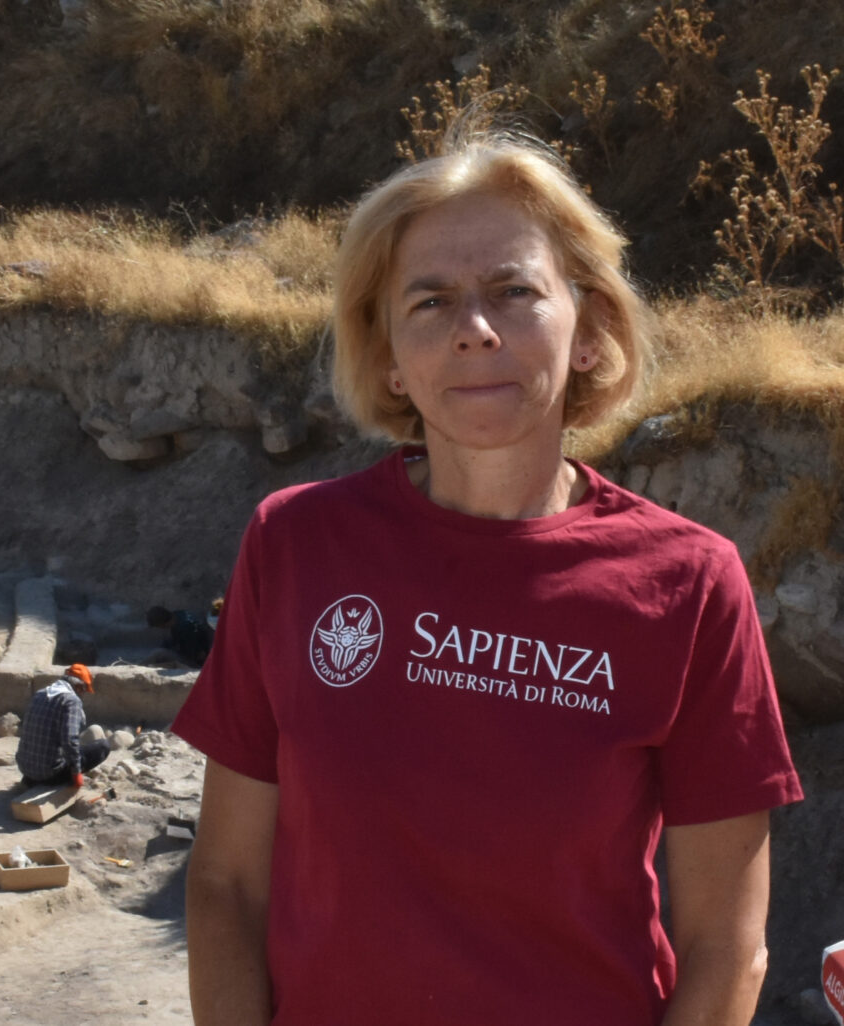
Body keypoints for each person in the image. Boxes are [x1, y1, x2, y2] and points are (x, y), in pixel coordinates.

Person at [175, 132, 803, 1026]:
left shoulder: (690, 584)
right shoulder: (296, 544)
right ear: (388, 353)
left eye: (514, 291)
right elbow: (227, 883)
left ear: (587, 329)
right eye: (430, 301)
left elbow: (727, 950)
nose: (475, 328)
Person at [16, 664, 110, 788]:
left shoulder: (39, 694)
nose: (83, 695)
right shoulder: (71, 701)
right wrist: (76, 773)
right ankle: (49, 779)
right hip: (50, 774)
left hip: (25, 769)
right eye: (84, 690)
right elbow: (70, 740)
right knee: (103, 746)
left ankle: (31, 779)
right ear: (78, 686)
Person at [146, 605, 214, 667]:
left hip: (196, 664)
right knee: (162, 650)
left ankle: (140, 668)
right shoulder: (178, 615)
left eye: (157, 626)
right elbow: (173, 641)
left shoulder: (186, 628)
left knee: (158, 653)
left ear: (161, 624)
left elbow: (196, 655)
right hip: (194, 653)